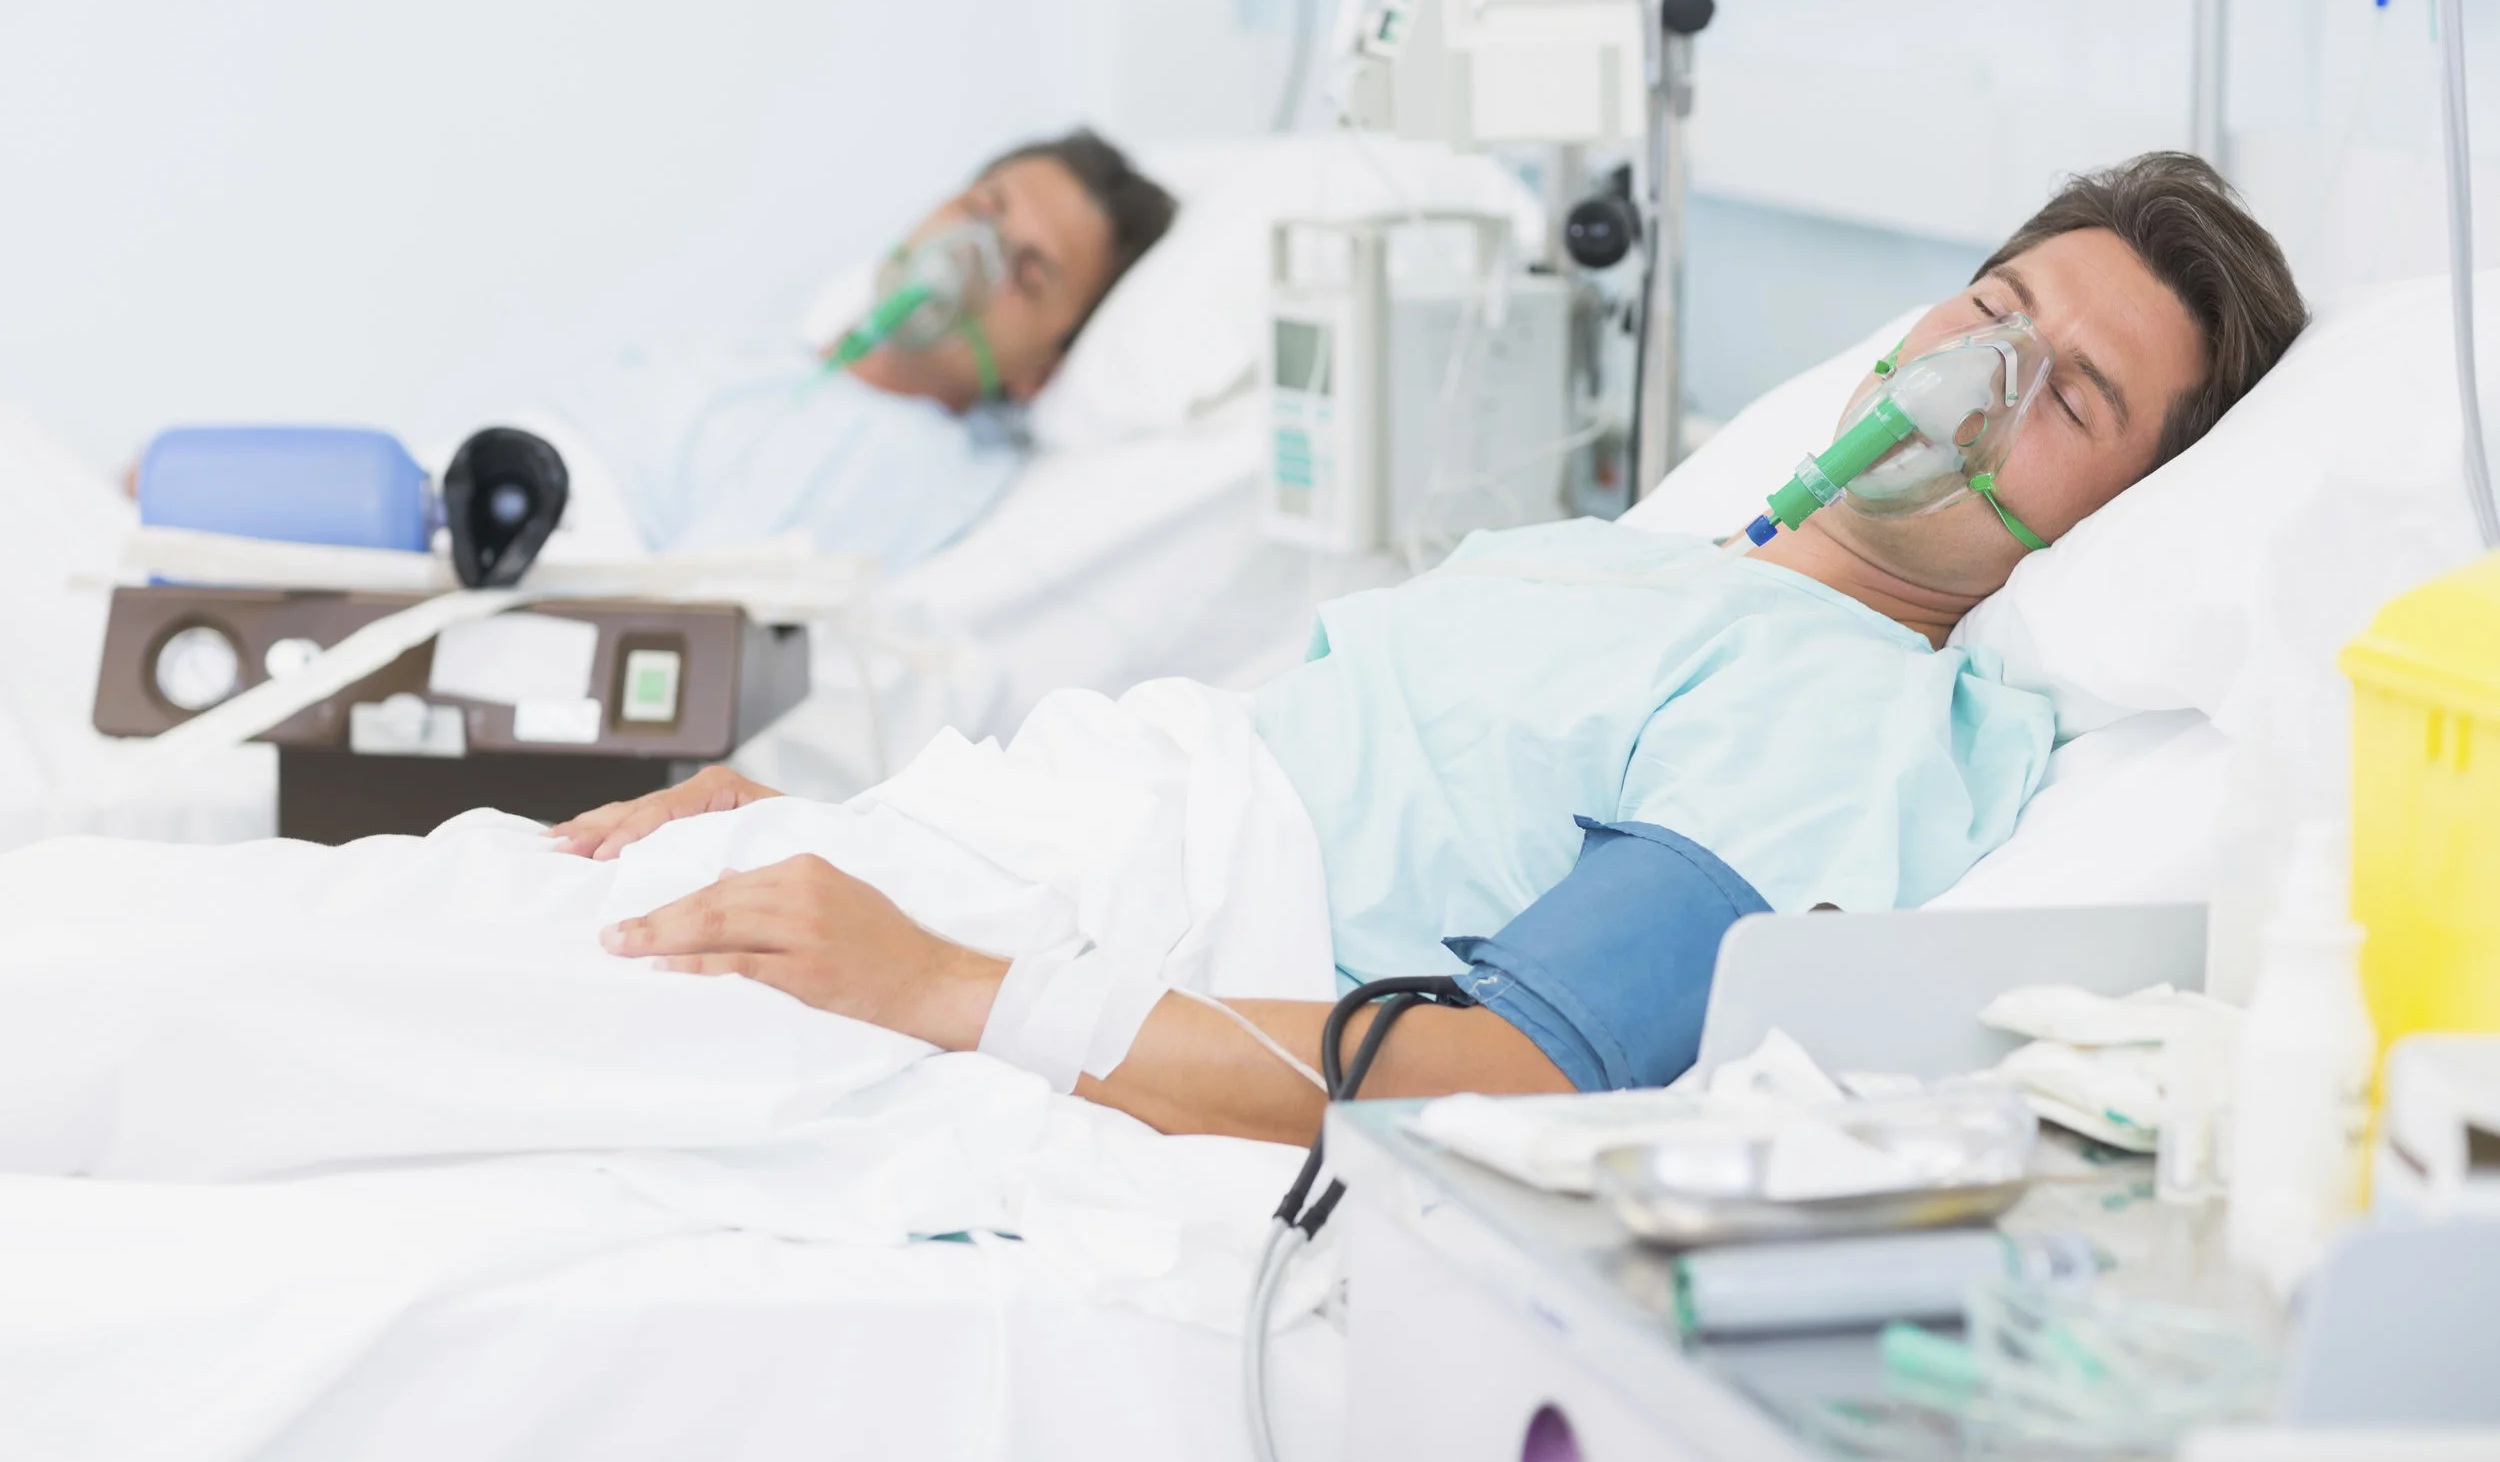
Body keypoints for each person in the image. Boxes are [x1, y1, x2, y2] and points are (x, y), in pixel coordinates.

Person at [552, 151, 2310, 1143]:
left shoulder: (1854, 719)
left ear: (2110, 514)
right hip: (989, 865)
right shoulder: (1651, 572)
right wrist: (852, 820)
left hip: (1067, 977)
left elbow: (1520, 1069)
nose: (1978, 384)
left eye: (2067, 393)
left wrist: (951, 979)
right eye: (1993, 315)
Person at [538, 128, 1177, 567]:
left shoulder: (902, 465)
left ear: (1039, 372)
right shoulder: (766, 354)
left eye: (1027, 274)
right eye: (981, 209)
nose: (969, 256)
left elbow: (672, 610)